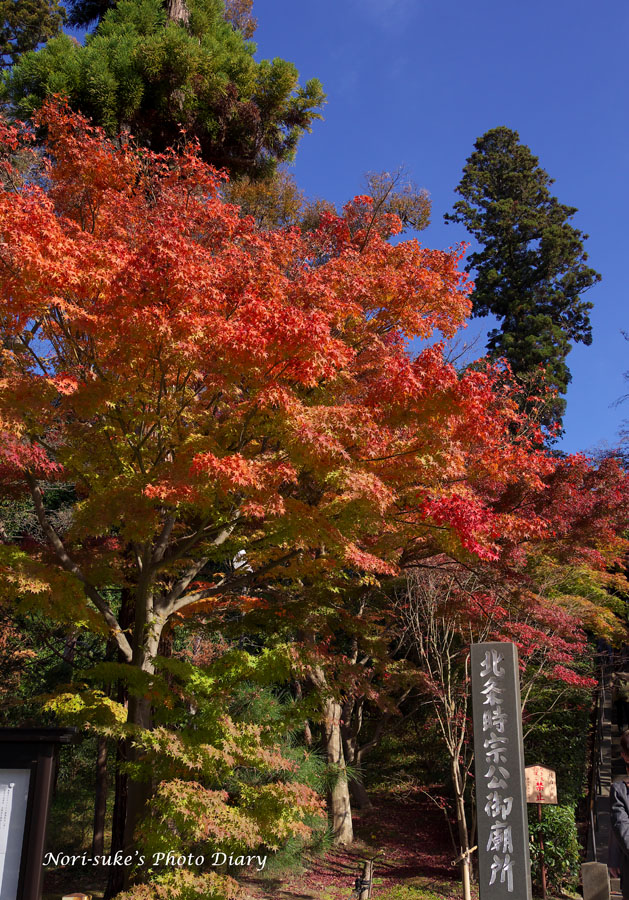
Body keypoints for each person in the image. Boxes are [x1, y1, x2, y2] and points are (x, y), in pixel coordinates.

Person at [609, 731, 629, 890]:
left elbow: (621, 828)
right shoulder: (620, 790)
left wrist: (614, 858)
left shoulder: (619, 790)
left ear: (624, 756)